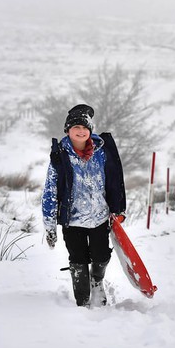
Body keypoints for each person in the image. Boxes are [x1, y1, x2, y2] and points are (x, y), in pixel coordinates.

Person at [42, 104, 126, 307]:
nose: (81, 131)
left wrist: (118, 209)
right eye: (75, 127)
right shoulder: (59, 157)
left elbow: (114, 181)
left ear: (90, 131)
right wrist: (49, 225)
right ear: (67, 130)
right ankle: (82, 297)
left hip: (98, 217)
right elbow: (50, 192)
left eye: (85, 128)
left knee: (102, 255)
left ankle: (97, 282)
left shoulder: (102, 152)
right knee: (78, 259)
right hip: (73, 220)